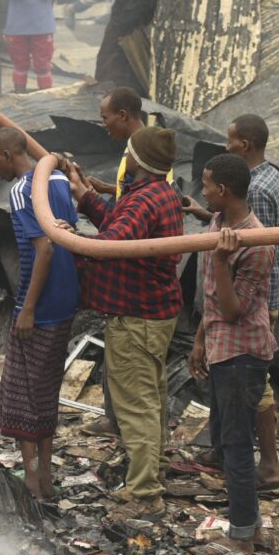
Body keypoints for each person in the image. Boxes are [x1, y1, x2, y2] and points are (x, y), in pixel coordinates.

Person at [62, 126, 184, 521]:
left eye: (127, 152)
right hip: (155, 315)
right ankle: (154, 474)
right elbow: (119, 225)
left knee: (137, 406)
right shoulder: (156, 193)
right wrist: (86, 197)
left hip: (137, 317)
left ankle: (145, 495)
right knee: (151, 400)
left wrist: (72, 237)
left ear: (138, 160)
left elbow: (110, 245)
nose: (123, 158)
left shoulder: (143, 201)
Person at [187, 114, 279, 487]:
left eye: (230, 140)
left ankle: (265, 466)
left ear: (244, 144)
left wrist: (216, 257)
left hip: (250, 309)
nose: (226, 144)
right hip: (234, 311)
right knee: (234, 399)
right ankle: (228, 454)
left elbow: (241, 256)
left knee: (252, 392)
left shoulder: (255, 197)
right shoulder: (267, 178)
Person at [0, 126, 80, 500]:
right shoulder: (57, 179)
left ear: (9, 155)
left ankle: (32, 482)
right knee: (45, 389)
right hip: (66, 297)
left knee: (22, 395)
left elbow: (44, 250)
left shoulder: (23, 190)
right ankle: (46, 475)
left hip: (39, 304)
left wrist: (25, 309)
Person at [188, 153, 276, 554]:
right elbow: (209, 299)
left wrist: (222, 261)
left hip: (243, 355)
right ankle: (251, 527)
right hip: (222, 348)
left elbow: (232, 309)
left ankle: (241, 535)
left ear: (222, 190)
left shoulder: (255, 242)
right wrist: (201, 340)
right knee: (227, 441)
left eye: (206, 185)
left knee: (237, 446)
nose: (203, 192)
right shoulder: (219, 222)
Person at [85, 87, 175, 202]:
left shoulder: (148, 152)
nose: (103, 124)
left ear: (123, 115)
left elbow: (152, 197)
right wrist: (105, 187)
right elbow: (137, 189)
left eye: (105, 118)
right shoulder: (135, 146)